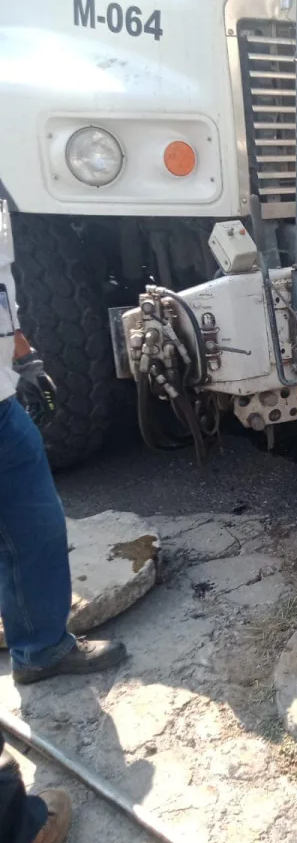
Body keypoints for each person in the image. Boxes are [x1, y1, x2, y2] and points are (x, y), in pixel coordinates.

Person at [0, 201, 127, 685]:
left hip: (2, 409)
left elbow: (1, 290)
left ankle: (39, 650)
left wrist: (23, 355)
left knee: (36, 528)